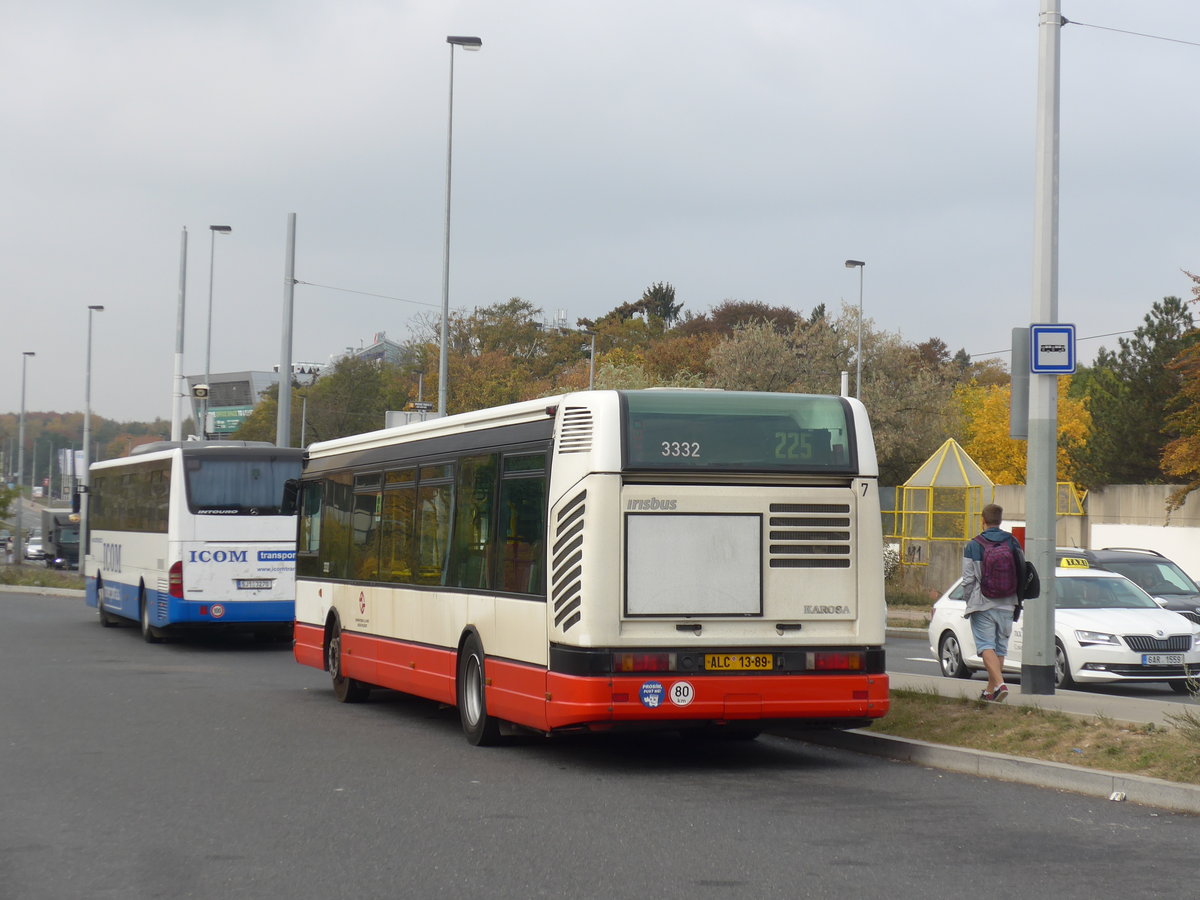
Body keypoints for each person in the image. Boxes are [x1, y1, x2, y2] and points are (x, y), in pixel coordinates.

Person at [961, 503, 1024, 702]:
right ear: (1000, 520)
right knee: (999, 648)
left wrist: (968, 600)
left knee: (986, 646)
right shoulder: (1012, 542)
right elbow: (1022, 570)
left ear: (983, 520)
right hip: (1008, 602)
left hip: (983, 602)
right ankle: (991, 691)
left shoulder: (973, 545)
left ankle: (1000, 684)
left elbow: (968, 579)